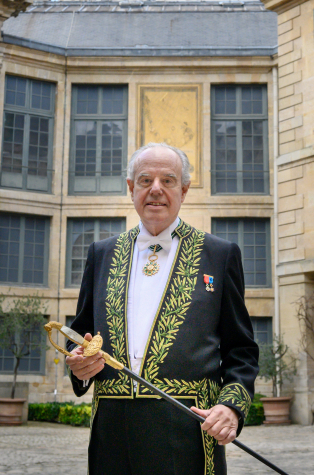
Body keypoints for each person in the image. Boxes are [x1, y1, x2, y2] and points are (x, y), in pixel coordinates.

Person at [66, 142, 259, 475]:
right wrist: (79, 362)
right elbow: (78, 333)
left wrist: (231, 407)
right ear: (131, 189)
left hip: (186, 432)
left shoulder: (220, 254)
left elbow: (241, 350)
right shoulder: (102, 254)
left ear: (183, 190)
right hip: (112, 435)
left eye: (168, 180)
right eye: (145, 180)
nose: (155, 189)